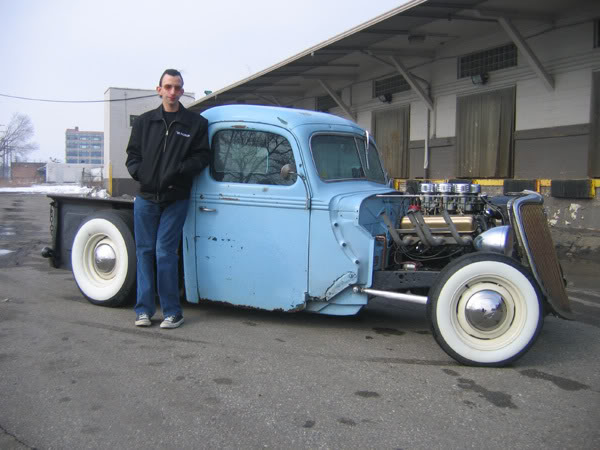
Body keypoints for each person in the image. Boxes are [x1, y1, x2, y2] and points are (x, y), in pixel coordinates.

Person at [125, 69, 211, 329]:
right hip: (146, 198)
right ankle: (143, 311)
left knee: (165, 253)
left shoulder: (195, 124)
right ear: (159, 89)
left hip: (176, 198)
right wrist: (143, 174)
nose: (173, 92)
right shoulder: (144, 122)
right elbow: (132, 156)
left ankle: (173, 312)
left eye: (177, 87)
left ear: (182, 91)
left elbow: (202, 157)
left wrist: (179, 171)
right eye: (168, 87)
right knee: (144, 252)